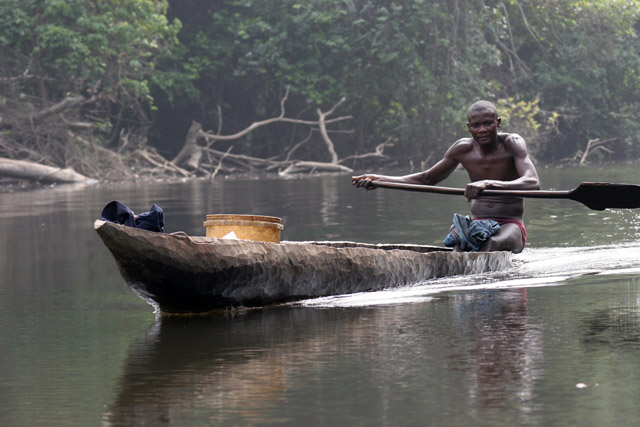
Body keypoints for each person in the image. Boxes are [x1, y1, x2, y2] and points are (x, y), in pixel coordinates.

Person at [352, 100, 540, 253]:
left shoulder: (512, 143)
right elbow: (426, 179)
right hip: (476, 224)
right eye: (476, 125)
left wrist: (488, 183)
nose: (482, 130)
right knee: (457, 249)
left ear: (498, 123)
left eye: (488, 124)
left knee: (489, 245)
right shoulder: (462, 149)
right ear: (469, 127)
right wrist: (379, 180)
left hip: (510, 225)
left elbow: (533, 182)